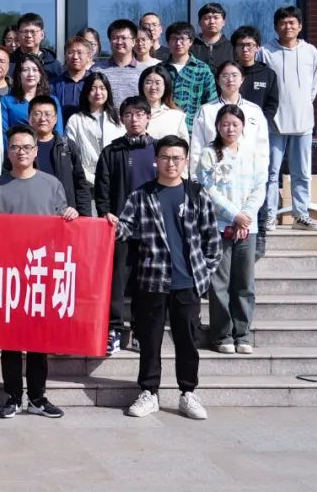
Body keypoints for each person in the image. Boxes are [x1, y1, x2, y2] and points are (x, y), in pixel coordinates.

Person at [116, 135, 221, 421]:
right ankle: (149, 392)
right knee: (149, 341)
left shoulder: (196, 194)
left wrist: (203, 273)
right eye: (165, 157)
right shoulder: (142, 195)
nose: (170, 163)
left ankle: (188, 393)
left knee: (187, 342)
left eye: (176, 158)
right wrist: (111, 224)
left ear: (185, 161)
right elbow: (124, 229)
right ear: (156, 160)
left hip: (187, 282)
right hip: (152, 280)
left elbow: (212, 238)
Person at [0, 124, 78, 420]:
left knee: (38, 340)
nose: (21, 152)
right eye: (15, 147)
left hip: (40, 272)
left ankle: (37, 397)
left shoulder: (51, 184)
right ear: (8, 152)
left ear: (36, 151)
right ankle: (12, 396)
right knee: (10, 341)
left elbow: (64, 223)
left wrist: (71, 214)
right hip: (7, 274)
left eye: (26, 147)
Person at [196, 105, 266, 355]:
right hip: (219, 226)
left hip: (248, 227)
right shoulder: (209, 153)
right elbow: (208, 190)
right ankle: (222, 335)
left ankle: (242, 334)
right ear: (217, 126)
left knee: (244, 283)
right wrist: (233, 215)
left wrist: (244, 216)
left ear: (243, 126)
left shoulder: (252, 153)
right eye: (225, 124)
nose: (230, 129)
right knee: (220, 283)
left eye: (235, 124)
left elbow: (260, 187)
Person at [97, 96, 159, 356]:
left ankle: (140, 331)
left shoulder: (160, 149)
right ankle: (113, 329)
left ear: (148, 118)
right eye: (129, 115)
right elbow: (102, 188)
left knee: (146, 283)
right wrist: (106, 213)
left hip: (152, 228)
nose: (134, 119)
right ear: (122, 119)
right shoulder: (112, 151)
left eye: (139, 114)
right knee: (117, 281)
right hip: (120, 227)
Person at [260, 6, 317, 232]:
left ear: (300, 26)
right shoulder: (265, 52)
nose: (288, 27)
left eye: (292, 22)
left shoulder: (311, 52)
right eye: (283, 23)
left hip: (303, 122)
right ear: (276, 27)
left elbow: (313, 86)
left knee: (302, 172)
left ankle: (301, 215)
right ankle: (269, 215)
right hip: (273, 124)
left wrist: (303, 105)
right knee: (270, 172)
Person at [232, 25, 279, 258]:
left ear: (257, 47)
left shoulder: (267, 74)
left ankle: (259, 234)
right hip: (229, 138)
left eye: (249, 45)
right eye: (241, 45)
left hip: (256, 139)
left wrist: (258, 125)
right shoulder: (229, 72)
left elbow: (272, 104)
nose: (245, 49)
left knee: (258, 184)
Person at [190, 60, 269, 177]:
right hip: (214, 175)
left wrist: (261, 176)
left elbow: (262, 147)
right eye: (225, 76)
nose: (230, 79)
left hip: (246, 175)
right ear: (218, 80)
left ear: (242, 79)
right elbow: (197, 146)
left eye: (234, 75)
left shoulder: (254, 110)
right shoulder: (206, 110)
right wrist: (196, 178)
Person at [27, 95, 92, 217]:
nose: (43, 118)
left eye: (48, 114)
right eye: (37, 114)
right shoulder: (22, 148)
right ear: (29, 118)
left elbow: (80, 183)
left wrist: (84, 216)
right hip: (33, 215)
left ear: (56, 118)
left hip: (66, 216)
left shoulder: (67, 146)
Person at [64, 71, 123, 191]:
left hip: (115, 182)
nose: (98, 93)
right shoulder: (75, 120)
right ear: (86, 92)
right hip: (86, 184)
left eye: (102, 88)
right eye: (93, 88)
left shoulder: (118, 118)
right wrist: (91, 179)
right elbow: (71, 155)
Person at [162, 21, 216, 130]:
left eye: (183, 39)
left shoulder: (202, 69)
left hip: (193, 129)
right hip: (165, 128)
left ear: (191, 41)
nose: (178, 43)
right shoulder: (160, 69)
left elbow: (211, 102)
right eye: (174, 39)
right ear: (168, 42)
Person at [0, 55, 64, 138]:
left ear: (40, 74)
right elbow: (4, 133)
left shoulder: (52, 100)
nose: (30, 74)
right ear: (19, 74)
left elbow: (58, 131)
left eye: (35, 70)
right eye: (25, 70)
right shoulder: (6, 101)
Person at [98, 19, 142, 110]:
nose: (119, 42)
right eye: (115, 38)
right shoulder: (97, 70)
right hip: (105, 118)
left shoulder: (144, 71)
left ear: (133, 42)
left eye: (124, 38)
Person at [50, 36, 95, 123]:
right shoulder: (53, 84)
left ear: (89, 57)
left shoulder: (94, 82)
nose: (75, 57)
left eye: (80, 53)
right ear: (65, 55)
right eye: (71, 52)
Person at [140, 65, 190, 142]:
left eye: (158, 83)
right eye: (148, 82)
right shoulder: (133, 114)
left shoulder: (177, 116)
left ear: (166, 86)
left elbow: (185, 145)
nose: (153, 87)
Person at [9, 13, 63, 78]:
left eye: (33, 32)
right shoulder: (9, 62)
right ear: (18, 34)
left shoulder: (54, 66)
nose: (29, 36)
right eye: (25, 31)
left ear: (42, 34)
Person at [191, 2, 233, 71]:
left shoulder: (232, 47)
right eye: (207, 18)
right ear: (199, 23)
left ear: (223, 22)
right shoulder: (190, 46)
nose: (212, 22)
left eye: (216, 18)